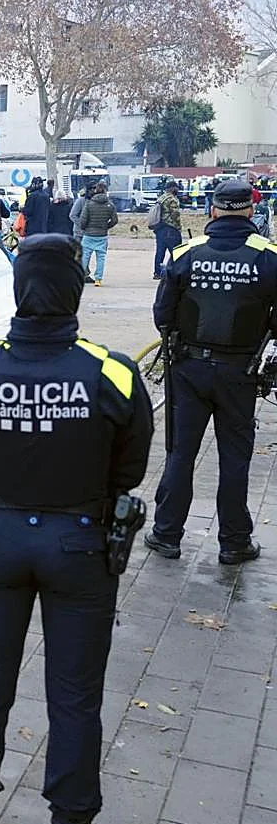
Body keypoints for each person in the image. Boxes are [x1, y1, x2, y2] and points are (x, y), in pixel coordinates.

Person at [0, 233, 152, 824]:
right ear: (75, 290)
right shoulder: (113, 371)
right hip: (80, 542)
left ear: (17, 288)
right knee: (76, 698)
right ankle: (71, 819)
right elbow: (130, 468)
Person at [144, 179, 277, 565]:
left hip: (189, 369)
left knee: (180, 453)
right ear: (251, 211)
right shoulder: (268, 257)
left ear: (213, 210)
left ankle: (167, 534)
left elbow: (162, 316)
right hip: (240, 372)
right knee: (234, 457)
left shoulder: (187, 252)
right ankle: (234, 542)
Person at [77, 183, 117, 286]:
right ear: (105, 191)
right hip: (102, 235)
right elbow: (114, 220)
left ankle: (80, 277)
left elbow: (83, 220)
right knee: (101, 257)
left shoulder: (89, 204)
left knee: (85, 256)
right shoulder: (110, 205)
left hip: (88, 234)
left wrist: (84, 228)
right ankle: (98, 279)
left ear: (96, 191)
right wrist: (106, 226)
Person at [152, 180, 183, 280]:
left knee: (160, 252)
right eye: (176, 188)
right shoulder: (172, 199)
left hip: (160, 228)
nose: (178, 190)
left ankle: (157, 272)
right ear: (173, 188)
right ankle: (176, 271)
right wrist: (178, 228)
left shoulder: (161, 198)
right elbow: (175, 215)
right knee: (176, 252)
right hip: (170, 229)